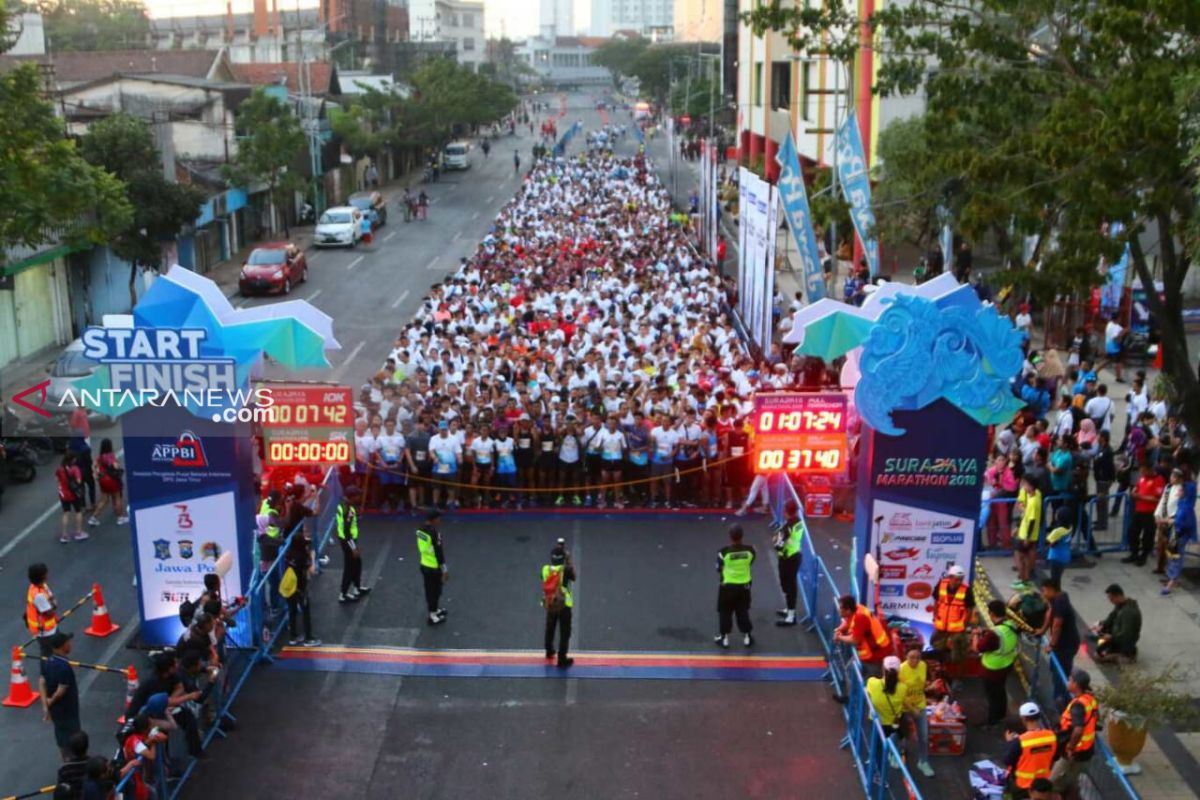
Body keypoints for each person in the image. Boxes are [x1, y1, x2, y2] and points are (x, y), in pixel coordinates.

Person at [1051, 670, 1098, 796]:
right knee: (1071, 780)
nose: (1068, 682)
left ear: (1076, 684)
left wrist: (1070, 748)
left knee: (1053, 784)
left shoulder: (1078, 705)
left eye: (1070, 680)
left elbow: (1078, 730)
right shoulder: (1089, 699)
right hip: (1086, 750)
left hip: (1074, 753)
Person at [976, 599, 1019, 727]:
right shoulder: (1011, 625)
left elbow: (978, 647)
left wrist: (975, 635)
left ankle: (992, 722)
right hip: (1006, 666)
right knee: (1000, 692)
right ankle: (1001, 716)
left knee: (992, 697)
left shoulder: (993, 634)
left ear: (991, 613)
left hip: (992, 670)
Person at [39, 632, 80, 760]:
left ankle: (66, 760)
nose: (70, 645)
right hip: (68, 710)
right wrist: (50, 702)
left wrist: (46, 706)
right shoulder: (64, 666)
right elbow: (61, 689)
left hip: (56, 711)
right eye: (68, 642)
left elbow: (42, 681)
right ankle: (74, 763)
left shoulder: (49, 661)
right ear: (64, 646)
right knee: (74, 738)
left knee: (61, 736)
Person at [1004, 702, 1058, 799]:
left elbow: (1007, 761)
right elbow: (1055, 757)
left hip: (1023, 784)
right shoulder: (1052, 736)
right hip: (1043, 784)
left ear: (1023, 719)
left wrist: (1009, 743)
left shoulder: (1019, 741)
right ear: (1039, 716)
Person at [714, 525, 756, 649]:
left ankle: (725, 638)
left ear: (730, 537)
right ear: (742, 536)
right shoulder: (750, 551)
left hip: (727, 587)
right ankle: (747, 637)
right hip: (744, 587)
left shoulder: (723, 552)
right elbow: (751, 561)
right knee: (743, 611)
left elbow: (718, 568)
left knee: (725, 612)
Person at [834, 594, 892, 674]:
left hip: (876, 657)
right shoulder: (857, 608)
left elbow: (855, 640)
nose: (838, 610)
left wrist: (840, 637)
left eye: (841, 608)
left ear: (848, 610)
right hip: (873, 654)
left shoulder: (860, 618)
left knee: (870, 682)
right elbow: (848, 621)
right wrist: (839, 629)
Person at [899, 648, 935, 777]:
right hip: (904, 708)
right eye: (911, 657)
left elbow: (921, 685)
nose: (914, 660)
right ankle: (896, 755)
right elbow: (899, 694)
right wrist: (911, 709)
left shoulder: (923, 666)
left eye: (917, 657)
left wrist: (929, 687)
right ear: (906, 656)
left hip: (920, 705)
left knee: (924, 736)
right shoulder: (901, 669)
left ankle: (923, 762)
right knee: (903, 735)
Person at [542, 539, 576, 668]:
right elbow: (574, 577)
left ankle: (549, 650)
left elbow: (544, 579)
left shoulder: (545, 569)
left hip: (550, 603)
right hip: (564, 605)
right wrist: (568, 560)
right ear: (563, 558)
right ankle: (562, 659)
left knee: (550, 628)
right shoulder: (565, 570)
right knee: (564, 632)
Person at [284, 530, 321, 647]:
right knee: (305, 611)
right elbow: (312, 571)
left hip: (289, 587)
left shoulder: (288, 553)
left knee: (292, 611)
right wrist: (313, 557)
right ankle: (308, 638)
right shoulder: (302, 556)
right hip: (300, 587)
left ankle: (293, 637)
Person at [1038, 579, 1081, 680]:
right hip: (1065, 642)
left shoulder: (1060, 602)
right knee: (1056, 668)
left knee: (1061, 672)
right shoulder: (1059, 597)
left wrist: (1051, 645)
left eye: (1044, 591)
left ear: (1051, 589)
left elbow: (1057, 625)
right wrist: (1043, 630)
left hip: (1066, 645)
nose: (1043, 594)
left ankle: (1062, 694)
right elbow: (1050, 613)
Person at [1163, 466, 1196, 595]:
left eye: (1181, 490)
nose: (1178, 492)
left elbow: (1182, 521)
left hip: (1181, 532)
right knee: (1171, 554)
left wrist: (1168, 521)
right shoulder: (1183, 502)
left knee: (1176, 556)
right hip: (1176, 531)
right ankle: (1172, 578)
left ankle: (1172, 580)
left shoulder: (1187, 506)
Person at [335, 486, 371, 603]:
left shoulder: (343, 505)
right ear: (352, 497)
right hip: (347, 541)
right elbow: (346, 531)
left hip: (346, 540)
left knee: (357, 563)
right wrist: (353, 548)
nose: (359, 498)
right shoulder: (348, 510)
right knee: (350, 567)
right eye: (357, 496)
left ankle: (357, 587)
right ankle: (343, 593)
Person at [931, 564, 975, 661]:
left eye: (961, 579)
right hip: (941, 625)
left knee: (958, 651)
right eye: (957, 579)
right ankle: (940, 663)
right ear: (950, 577)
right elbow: (936, 601)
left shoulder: (966, 590)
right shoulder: (941, 585)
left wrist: (964, 625)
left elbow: (969, 609)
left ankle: (957, 669)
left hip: (958, 628)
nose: (959, 582)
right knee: (935, 645)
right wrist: (935, 616)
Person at [773, 500, 806, 627]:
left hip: (787, 559)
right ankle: (789, 609)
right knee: (789, 585)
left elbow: (778, 546)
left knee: (788, 586)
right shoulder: (799, 521)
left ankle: (791, 616)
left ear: (786, 511)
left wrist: (775, 539)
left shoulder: (787, 527)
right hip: (795, 555)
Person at [1125, 461, 1165, 566]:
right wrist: (1134, 491)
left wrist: (1140, 497)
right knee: (1132, 532)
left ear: (1149, 469)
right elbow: (1137, 487)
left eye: (1143, 470)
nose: (1141, 473)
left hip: (1150, 512)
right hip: (1139, 510)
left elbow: (1157, 498)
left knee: (1148, 536)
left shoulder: (1158, 480)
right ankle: (1134, 553)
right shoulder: (1142, 478)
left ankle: (1144, 556)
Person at [1090, 583, 1141, 663]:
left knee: (1098, 657)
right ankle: (1117, 653)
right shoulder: (1120, 605)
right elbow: (1111, 618)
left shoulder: (1129, 613)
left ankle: (1126, 655)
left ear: (1118, 596)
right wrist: (1101, 625)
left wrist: (1111, 637)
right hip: (1116, 636)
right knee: (1098, 653)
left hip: (1124, 642)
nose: (1110, 601)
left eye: (1111, 599)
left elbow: (1126, 634)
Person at [121, 714, 168, 800]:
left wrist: (153, 738)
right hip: (134, 776)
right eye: (150, 724)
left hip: (142, 772)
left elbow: (164, 737)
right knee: (150, 795)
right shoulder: (135, 742)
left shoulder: (143, 732)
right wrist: (153, 743)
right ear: (144, 729)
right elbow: (152, 756)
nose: (152, 726)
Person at [416, 509, 448, 625]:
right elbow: (439, 553)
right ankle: (432, 615)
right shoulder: (435, 534)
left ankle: (435, 610)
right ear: (434, 520)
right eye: (439, 518)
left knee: (430, 590)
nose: (440, 520)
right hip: (434, 567)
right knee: (435, 591)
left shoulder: (420, 530)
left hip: (424, 564)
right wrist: (444, 569)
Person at [866, 655, 906, 742]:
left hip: (876, 725)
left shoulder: (872, 682)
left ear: (883, 668)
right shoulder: (903, 688)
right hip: (893, 725)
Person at [1013, 475, 1043, 588]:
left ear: (1031, 486)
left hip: (1026, 534)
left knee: (1019, 557)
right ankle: (1025, 578)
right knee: (1025, 556)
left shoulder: (1033, 502)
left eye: (1025, 484)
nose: (1023, 486)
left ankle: (1024, 580)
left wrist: (1027, 537)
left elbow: (1032, 520)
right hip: (1026, 532)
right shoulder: (1036, 495)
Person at [89, 438, 128, 525]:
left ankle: (93, 518)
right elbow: (116, 467)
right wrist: (116, 464)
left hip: (102, 480)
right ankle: (120, 517)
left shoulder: (100, 456)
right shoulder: (110, 456)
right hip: (111, 480)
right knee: (117, 497)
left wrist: (95, 474)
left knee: (104, 500)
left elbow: (93, 465)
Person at [26, 562, 59, 657]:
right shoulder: (38, 595)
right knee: (48, 655)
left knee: (50, 652)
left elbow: (51, 598)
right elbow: (50, 613)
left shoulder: (39, 586)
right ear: (42, 576)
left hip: (50, 627)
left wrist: (52, 603)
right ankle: (45, 671)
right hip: (45, 632)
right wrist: (53, 605)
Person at [56, 452, 88, 543]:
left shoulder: (60, 469)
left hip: (63, 494)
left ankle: (64, 535)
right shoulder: (75, 469)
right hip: (73, 494)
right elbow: (79, 481)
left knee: (66, 513)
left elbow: (57, 480)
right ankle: (79, 532)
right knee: (78, 511)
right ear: (72, 460)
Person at [55, 731, 90, 798]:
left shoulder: (64, 769)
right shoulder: (93, 763)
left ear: (71, 749)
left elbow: (62, 787)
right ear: (87, 746)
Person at [1045, 507, 1074, 586]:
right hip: (1065, 556)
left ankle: (1056, 594)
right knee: (1058, 577)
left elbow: (1047, 542)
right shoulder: (1070, 527)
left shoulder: (1057, 531)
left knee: (1054, 579)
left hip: (1056, 557)